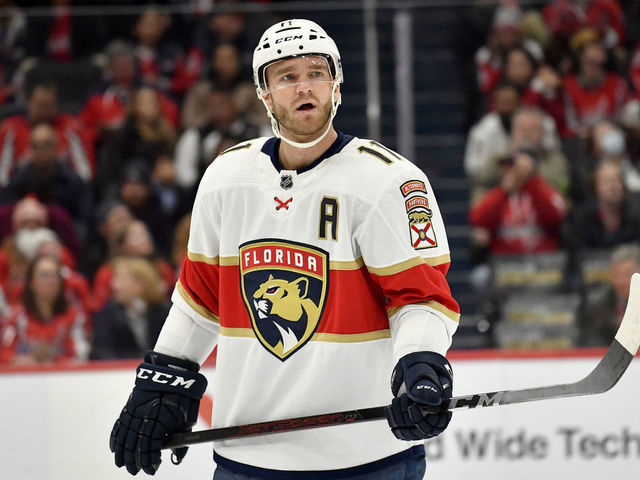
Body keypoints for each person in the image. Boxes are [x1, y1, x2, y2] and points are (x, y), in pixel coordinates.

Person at [109, 19, 459, 479]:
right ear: (265, 94)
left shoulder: (389, 181)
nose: (304, 86)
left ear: (336, 85)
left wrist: (421, 362)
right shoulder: (226, 177)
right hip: (247, 458)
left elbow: (421, 298)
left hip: (366, 459)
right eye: (287, 76)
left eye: (316, 72)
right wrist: (166, 374)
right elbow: (199, 301)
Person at [0, 254, 88, 365]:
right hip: (23, 378)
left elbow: (80, 355)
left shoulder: (73, 316)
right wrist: (22, 361)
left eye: (55, 275)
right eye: (44, 275)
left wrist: (54, 363)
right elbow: (4, 355)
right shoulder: (15, 318)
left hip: (62, 378)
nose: (51, 281)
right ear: (31, 282)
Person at [90, 256, 170, 360]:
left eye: (121, 279)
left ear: (140, 284)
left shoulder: (163, 313)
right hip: (120, 372)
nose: (114, 285)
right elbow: (101, 351)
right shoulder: (107, 314)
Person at [580, 243, 640, 346]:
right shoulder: (596, 304)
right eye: (616, 274)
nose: (620, 281)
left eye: (627, 274)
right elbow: (592, 339)